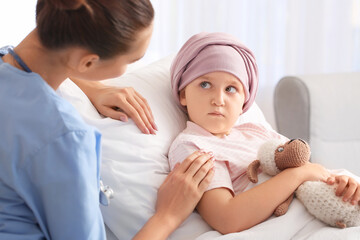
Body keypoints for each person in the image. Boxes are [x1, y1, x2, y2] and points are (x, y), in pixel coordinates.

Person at [0, 1, 214, 239]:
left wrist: (92, 86)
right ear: (87, 62)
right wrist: (167, 216)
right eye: (132, 60)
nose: (132, 66)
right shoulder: (65, 138)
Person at [168, 32, 360, 234]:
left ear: (244, 100)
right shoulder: (193, 146)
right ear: (183, 94)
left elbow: (308, 168)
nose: (218, 99)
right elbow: (227, 217)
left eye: (231, 88)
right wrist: (297, 175)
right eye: (205, 84)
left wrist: (340, 184)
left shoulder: (256, 130)